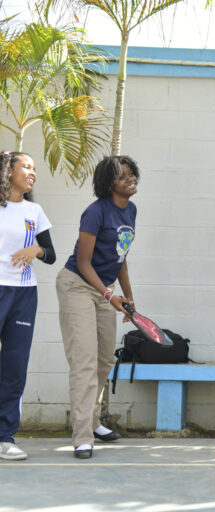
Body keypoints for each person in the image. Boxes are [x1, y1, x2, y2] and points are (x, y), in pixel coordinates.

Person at [56, 156, 140, 459]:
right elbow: (83, 262)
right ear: (108, 184)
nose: (130, 179)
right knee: (84, 362)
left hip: (105, 290)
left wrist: (128, 297)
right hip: (78, 285)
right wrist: (108, 296)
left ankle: (92, 420)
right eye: (122, 176)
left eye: (132, 174)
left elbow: (121, 255)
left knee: (105, 359)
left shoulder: (130, 210)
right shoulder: (95, 212)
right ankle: (82, 436)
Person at [0, 151, 55, 461]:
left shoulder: (34, 211)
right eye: (27, 166)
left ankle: (5, 437)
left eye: (35, 168)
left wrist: (36, 249)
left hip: (23, 294)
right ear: (8, 169)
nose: (33, 172)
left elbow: (51, 253)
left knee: (14, 366)